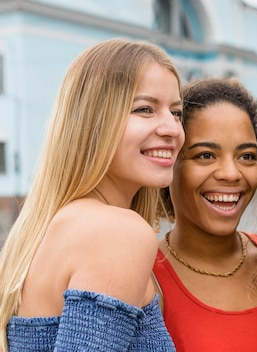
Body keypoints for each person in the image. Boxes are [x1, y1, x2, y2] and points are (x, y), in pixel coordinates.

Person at [0, 38, 184, 350]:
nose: (172, 128)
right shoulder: (116, 232)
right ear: (94, 121)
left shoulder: (49, 229)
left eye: (177, 112)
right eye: (144, 109)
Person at [153, 77, 257, 351]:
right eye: (205, 155)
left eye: (246, 156)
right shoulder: (146, 282)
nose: (231, 173)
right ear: (169, 164)